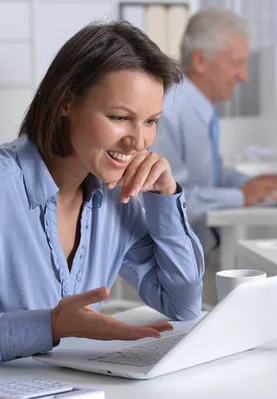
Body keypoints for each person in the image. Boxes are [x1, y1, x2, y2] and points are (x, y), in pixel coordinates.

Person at [0, 21, 205, 363]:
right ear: (66, 101)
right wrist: (50, 325)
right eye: (119, 117)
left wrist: (164, 197)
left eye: (151, 121)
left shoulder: (114, 200)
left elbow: (182, 303)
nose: (138, 141)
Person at [152, 7, 277, 252]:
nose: (244, 76)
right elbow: (165, 196)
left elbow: (208, 175)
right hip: (168, 263)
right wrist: (241, 195)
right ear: (199, 60)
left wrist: (253, 184)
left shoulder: (199, 108)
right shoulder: (168, 111)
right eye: (237, 63)